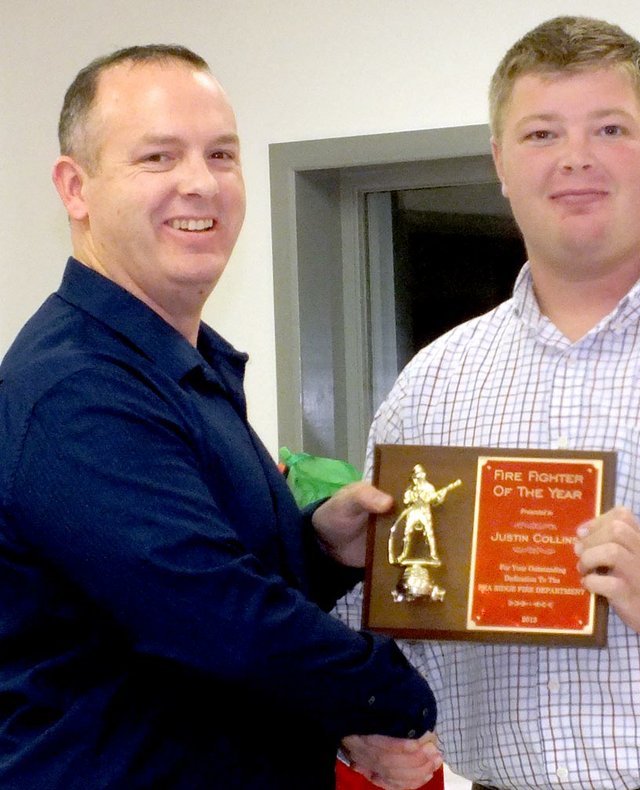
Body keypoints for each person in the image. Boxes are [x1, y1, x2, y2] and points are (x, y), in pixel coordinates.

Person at [339, 15, 640, 790]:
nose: (575, 159)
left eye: (609, 128)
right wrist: (360, 721)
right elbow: (381, 609)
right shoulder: (433, 382)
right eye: (541, 135)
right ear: (500, 163)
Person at [0, 45, 443, 790]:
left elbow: (187, 581)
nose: (199, 183)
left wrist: (320, 550)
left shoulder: (180, 367)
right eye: (158, 157)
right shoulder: (77, 390)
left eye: (222, 154)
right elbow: (219, 618)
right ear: (76, 188)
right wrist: (403, 701)